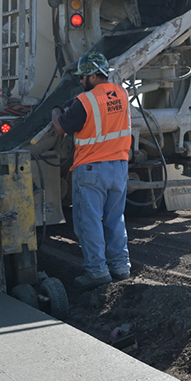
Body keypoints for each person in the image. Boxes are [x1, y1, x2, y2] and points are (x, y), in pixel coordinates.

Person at [51, 51, 132, 290]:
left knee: (90, 222)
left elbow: (61, 127)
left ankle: (97, 272)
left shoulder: (85, 102)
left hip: (92, 170)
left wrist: (56, 110)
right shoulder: (122, 94)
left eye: (83, 77)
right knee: (115, 220)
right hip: (119, 167)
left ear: (94, 76)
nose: (80, 81)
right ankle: (120, 267)